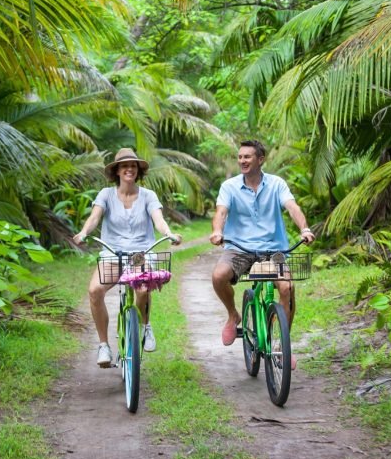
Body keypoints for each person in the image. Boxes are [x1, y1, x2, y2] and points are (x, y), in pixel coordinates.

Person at [209, 140, 315, 366]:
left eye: (247, 157)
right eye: (240, 157)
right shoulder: (229, 186)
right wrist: (218, 231)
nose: (242, 161)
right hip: (239, 247)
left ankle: (281, 345)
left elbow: (292, 207)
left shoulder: (276, 184)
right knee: (219, 276)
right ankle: (233, 315)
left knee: (287, 287)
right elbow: (221, 212)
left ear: (260, 159)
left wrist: (304, 229)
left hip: (272, 249)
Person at [73, 148, 182, 367]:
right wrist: (84, 233)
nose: (129, 169)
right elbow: (95, 218)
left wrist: (168, 233)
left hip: (140, 254)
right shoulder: (106, 194)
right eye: (124, 166)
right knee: (95, 291)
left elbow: (158, 219)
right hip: (112, 253)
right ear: (117, 172)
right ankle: (104, 345)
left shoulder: (148, 196)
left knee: (142, 289)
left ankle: (144, 327)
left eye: (133, 166)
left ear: (138, 170)